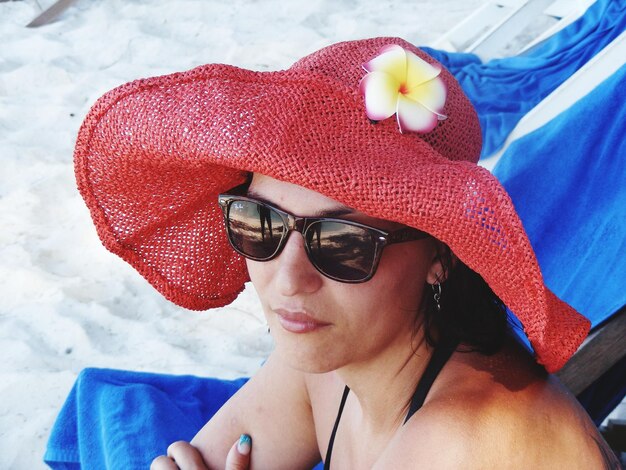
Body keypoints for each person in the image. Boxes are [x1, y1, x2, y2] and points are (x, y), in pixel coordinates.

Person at [72, 37, 619, 468]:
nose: (288, 280)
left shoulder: (463, 439)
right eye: (259, 225)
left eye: (341, 244)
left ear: (442, 255)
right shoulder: (326, 363)